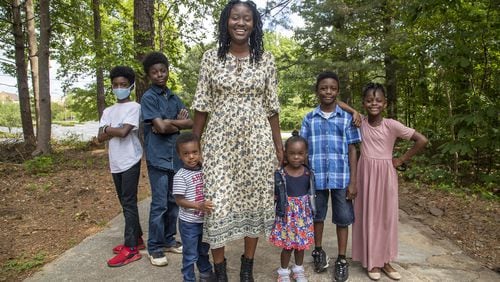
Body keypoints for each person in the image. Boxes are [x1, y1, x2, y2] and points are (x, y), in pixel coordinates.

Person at [191, 1, 283, 281]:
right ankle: (220, 270)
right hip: (219, 143)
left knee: (254, 201)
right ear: (226, 22)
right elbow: (201, 103)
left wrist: (279, 146)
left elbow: (272, 106)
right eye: (235, 18)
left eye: (247, 18)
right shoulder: (210, 58)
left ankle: (247, 267)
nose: (240, 23)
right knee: (216, 203)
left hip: (257, 144)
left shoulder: (265, 59)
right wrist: (195, 143)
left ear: (254, 24)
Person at [352, 83, 428, 281]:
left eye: (378, 100)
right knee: (368, 216)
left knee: (386, 217)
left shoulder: (392, 125)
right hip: (365, 175)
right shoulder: (360, 123)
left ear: (385, 104)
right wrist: (353, 111)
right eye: (369, 100)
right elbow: (339, 103)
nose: (373, 104)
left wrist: (401, 160)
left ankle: (386, 261)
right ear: (363, 103)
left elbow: (422, 140)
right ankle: (372, 261)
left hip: (385, 175)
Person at [299, 71, 361, 282]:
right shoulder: (309, 118)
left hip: (341, 177)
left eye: (333, 88)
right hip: (315, 178)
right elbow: (303, 149)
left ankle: (342, 259)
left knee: (343, 219)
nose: (328, 91)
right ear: (317, 91)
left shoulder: (346, 118)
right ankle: (318, 251)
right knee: (317, 216)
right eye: (324, 88)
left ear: (338, 91)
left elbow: (353, 149)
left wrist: (353, 181)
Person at [141, 51, 193, 266]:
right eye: (155, 72)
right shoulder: (148, 98)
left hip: (175, 158)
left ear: (167, 72)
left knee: (174, 202)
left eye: (163, 71)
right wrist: (170, 124)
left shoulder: (174, 96)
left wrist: (167, 123)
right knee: (160, 204)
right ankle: (154, 247)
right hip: (158, 159)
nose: (159, 75)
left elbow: (189, 123)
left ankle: (169, 240)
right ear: (149, 75)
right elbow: (160, 127)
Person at [98, 66, 144, 267]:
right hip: (115, 162)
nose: (119, 88)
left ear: (131, 86)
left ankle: (131, 248)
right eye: (115, 85)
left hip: (130, 160)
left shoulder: (134, 107)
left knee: (129, 202)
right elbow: (99, 138)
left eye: (123, 85)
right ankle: (138, 239)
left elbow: (125, 132)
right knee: (125, 203)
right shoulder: (108, 110)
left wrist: (108, 128)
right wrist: (109, 130)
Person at [269, 131, 315, 282]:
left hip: (302, 216)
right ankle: (283, 272)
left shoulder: (308, 173)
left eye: (300, 153)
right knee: (287, 246)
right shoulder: (281, 174)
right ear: (286, 154)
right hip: (287, 216)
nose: (296, 157)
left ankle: (298, 270)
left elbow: (311, 193)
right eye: (292, 153)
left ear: (306, 154)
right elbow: (275, 195)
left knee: (300, 246)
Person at [173, 132, 215, 282]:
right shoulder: (181, 175)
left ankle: (205, 273)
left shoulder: (205, 170)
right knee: (190, 254)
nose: (191, 157)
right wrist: (199, 205)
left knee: (203, 250)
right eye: (186, 154)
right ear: (180, 155)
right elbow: (179, 200)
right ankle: (188, 278)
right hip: (189, 223)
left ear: (200, 152)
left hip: (204, 222)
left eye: (194, 152)